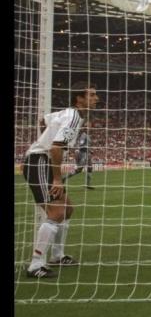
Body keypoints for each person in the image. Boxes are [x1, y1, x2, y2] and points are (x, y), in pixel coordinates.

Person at [22, 83, 100, 278]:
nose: (96, 98)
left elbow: (44, 120)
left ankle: (57, 255)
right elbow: (56, 148)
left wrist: (46, 135)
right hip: (39, 161)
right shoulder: (73, 117)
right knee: (56, 212)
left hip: (43, 160)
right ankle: (36, 264)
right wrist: (57, 178)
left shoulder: (68, 114)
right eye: (91, 95)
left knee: (67, 209)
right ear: (79, 98)